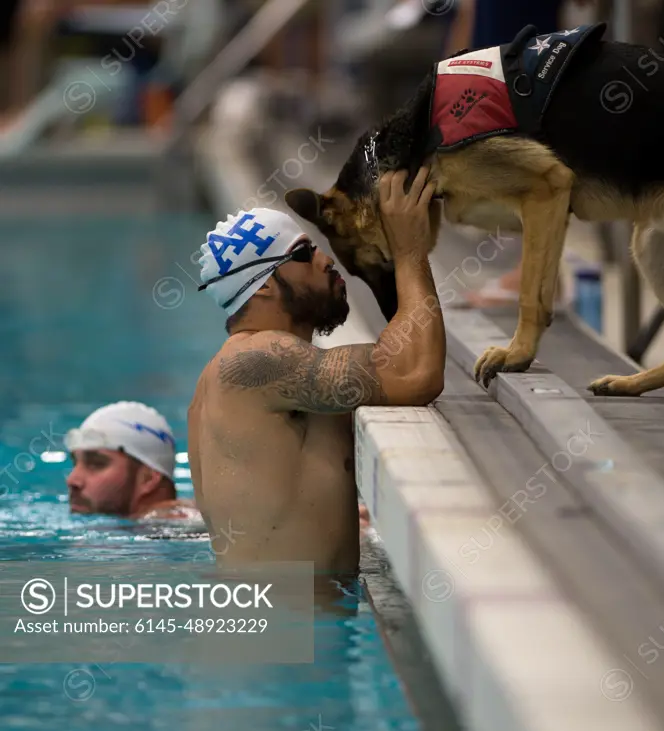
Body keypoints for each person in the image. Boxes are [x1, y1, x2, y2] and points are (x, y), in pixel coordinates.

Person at [188, 167, 445, 577]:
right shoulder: (259, 358)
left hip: (284, 625)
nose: (326, 259)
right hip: (287, 632)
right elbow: (415, 369)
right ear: (265, 285)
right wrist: (410, 249)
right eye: (304, 253)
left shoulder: (221, 377)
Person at [64, 401, 196, 520]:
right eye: (75, 463)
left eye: (96, 464)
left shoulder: (182, 522)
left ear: (148, 478)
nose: (72, 480)